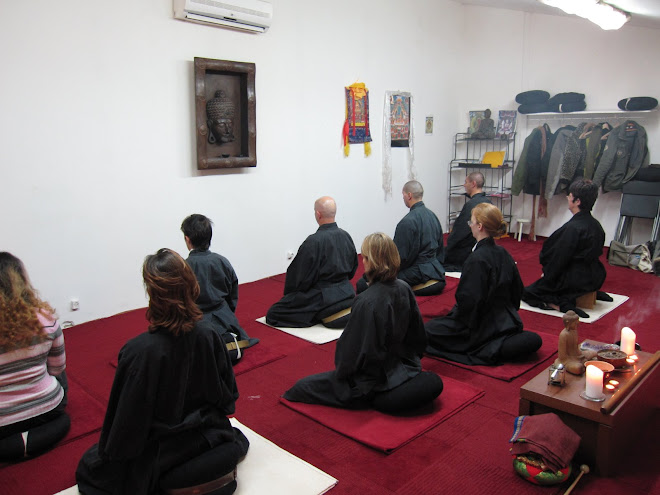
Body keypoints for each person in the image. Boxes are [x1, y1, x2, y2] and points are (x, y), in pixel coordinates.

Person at [76, 249, 249, 495]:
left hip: (163, 448)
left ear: (152, 293)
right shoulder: (209, 334)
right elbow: (228, 397)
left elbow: (124, 428)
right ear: (192, 286)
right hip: (206, 435)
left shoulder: (138, 351)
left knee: (91, 466)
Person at [283, 233, 443, 413]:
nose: (363, 261)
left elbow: (351, 355)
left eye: (365, 257)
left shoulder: (366, 301)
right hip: (406, 365)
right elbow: (418, 336)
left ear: (371, 261)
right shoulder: (404, 288)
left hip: (374, 380)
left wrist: (344, 375)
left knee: (301, 388)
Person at [425, 204, 542, 365]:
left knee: (427, 330)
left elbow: (468, 303)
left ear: (479, 226)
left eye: (471, 222)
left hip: (478, 326)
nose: (470, 225)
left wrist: (456, 320)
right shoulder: (504, 253)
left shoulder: (476, 259)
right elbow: (517, 293)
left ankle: (485, 346)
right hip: (505, 322)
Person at [0, 252, 69, 461]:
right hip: (47, 409)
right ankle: (29, 442)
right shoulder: (46, 318)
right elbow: (57, 369)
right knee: (64, 413)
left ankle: (12, 446)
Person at [522, 178, 609, 318]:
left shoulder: (573, 228)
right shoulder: (596, 225)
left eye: (570, 196)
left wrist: (548, 274)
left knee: (526, 292)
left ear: (577, 201)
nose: (568, 197)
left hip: (574, 279)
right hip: (594, 276)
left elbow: (558, 258)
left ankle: (558, 304)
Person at [267, 196, 358, 328]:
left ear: (318, 214)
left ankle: (316, 315)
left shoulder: (314, 241)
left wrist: (293, 295)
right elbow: (353, 268)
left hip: (323, 298)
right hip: (347, 292)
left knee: (274, 313)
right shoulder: (346, 236)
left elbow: (300, 278)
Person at [181, 214, 258, 352]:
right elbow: (232, 292)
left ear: (187, 239)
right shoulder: (222, 261)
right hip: (225, 318)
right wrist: (226, 313)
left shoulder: (183, 267)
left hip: (196, 322)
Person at [357, 181, 446, 295]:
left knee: (365, 283)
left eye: (403, 195)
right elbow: (440, 249)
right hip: (436, 270)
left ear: (409, 195)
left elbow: (398, 259)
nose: (403, 198)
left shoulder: (407, 222)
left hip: (418, 274)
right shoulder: (433, 216)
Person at [444, 172, 492, 271]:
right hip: (486, 247)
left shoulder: (471, 205)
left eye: (466, 182)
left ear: (473, 184)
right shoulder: (489, 203)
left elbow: (459, 233)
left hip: (467, 251)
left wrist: (449, 246)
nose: (464, 185)